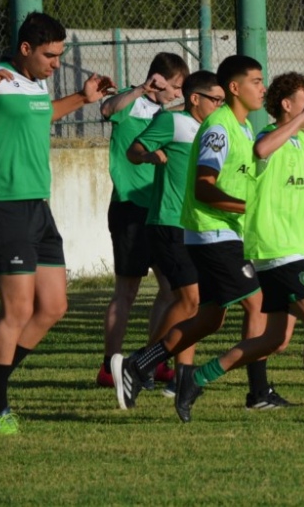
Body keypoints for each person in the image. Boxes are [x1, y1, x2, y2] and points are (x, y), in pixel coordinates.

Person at [174, 72, 304, 423]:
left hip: (287, 250)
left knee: (275, 339)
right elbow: (261, 149)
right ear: (286, 105)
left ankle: (197, 378)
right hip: (276, 250)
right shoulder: (265, 138)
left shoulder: (302, 144)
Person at [112, 55, 292, 411]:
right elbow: (205, 188)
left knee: (209, 316)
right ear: (234, 88)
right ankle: (252, 390)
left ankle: (141, 364)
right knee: (257, 304)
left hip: (222, 232)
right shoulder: (217, 128)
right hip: (207, 232)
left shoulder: (240, 129)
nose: (263, 88)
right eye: (256, 81)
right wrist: (248, 208)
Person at [0, 12, 114, 435]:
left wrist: (82, 97)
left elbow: (42, 113)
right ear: (25, 49)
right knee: (16, 309)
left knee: (53, 306)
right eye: (50, 56)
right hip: (5, 208)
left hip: (39, 208)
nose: (56, 64)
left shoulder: (34, 85)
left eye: (59, 55)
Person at [125, 70, 224, 392]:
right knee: (189, 300)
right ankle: (142, 362)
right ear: (195, 98)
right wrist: (150, 155)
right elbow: (133, 151)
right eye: (215, 99)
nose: (220, 105)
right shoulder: (172, 122)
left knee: (194, 303)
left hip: (200, 226)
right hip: (169, 222)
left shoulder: (217, 129)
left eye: (223, 100)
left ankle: (178, 375)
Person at [97, 52, 190, 389]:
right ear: (157, 80)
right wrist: (139, 88)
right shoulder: (129, 103)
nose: (178, 94)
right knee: (127, 291)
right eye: (175, 87)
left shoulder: (165, 116)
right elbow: (106, 109)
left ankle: (150, 361)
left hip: (161, 211)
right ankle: (109, 366)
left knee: (171, 289)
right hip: (130, 209)